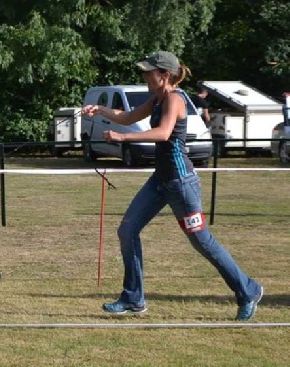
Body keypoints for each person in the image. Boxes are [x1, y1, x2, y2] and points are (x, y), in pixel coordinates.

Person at [82, 51, 263, 320]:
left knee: (202, 242)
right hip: (161, 181)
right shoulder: (157, 98)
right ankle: (133, 299)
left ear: (164, 75)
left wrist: (121, 137)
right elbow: (129, 117)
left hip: (181, 184)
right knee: (127, 230)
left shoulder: (176, 100)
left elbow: (164, 133)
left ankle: (248, 290)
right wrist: (102, 110)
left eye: (148, 72)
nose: (144, 76)